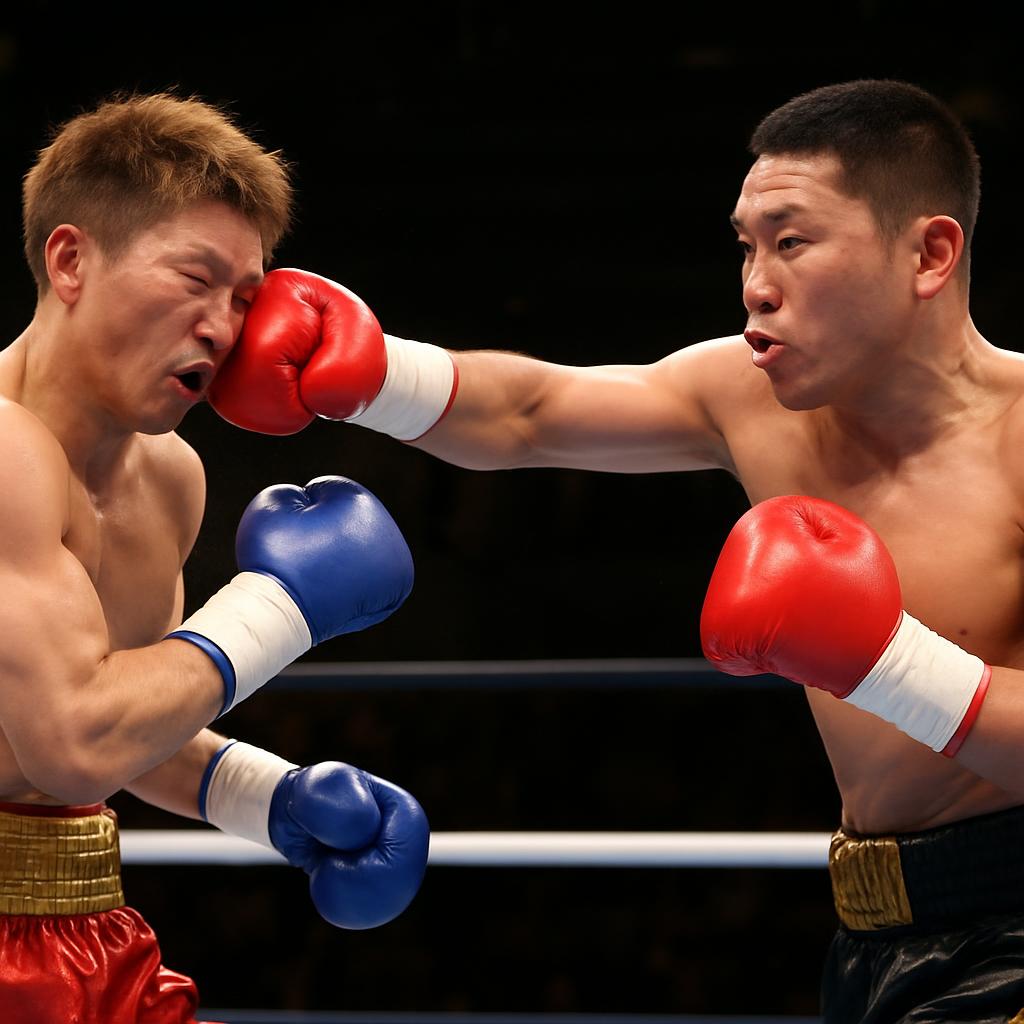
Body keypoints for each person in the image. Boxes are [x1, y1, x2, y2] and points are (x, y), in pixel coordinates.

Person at [210, 79, 1024, 1021]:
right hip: (872, 939)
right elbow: (533, 411)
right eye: (747, 246)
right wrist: (373, 372)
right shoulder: (749, 396)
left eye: (793, 242)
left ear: (929, 254)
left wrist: (889, 664)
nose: (756, 284)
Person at [0, 93, 430, 1024]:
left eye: (243, 298)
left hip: (86, 930)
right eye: (195, 278)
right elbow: (74, 743)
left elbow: (125, 726)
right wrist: (281, 608)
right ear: (70, 261)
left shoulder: (170, 479)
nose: (224, 328)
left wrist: (270, 797)